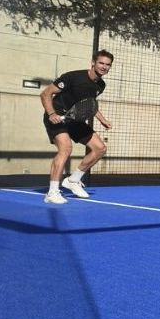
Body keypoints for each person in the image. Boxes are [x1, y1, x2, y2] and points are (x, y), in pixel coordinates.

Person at [39, 50, 113, 204]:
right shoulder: (73, 77)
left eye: (107, 65)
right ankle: (52, 192)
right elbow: (46, 94)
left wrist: (102, 119)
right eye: (101, 63)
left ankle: (73, 180)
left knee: (100, 148)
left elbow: (87, 105)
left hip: (74, 120)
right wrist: (51, 113)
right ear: (93, 62)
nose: (104, 67)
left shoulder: (100, 85)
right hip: (57, 117)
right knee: (65, 148)